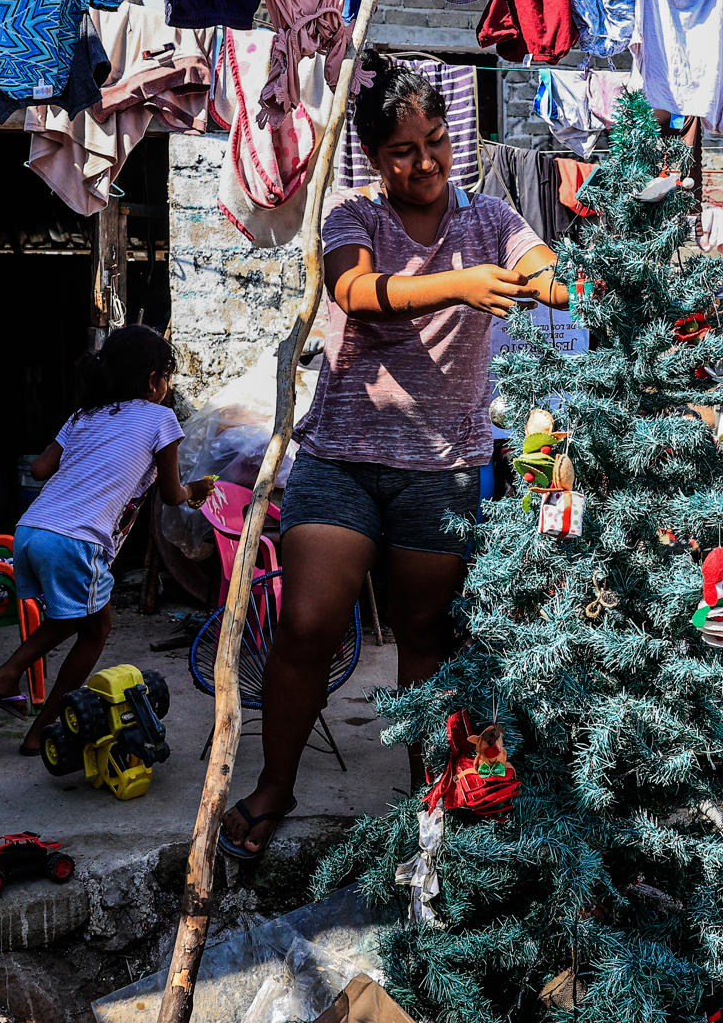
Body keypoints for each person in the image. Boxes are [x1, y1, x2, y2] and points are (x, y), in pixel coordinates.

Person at [219, 50, 568, 858]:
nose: (426, 162)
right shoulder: (353, 216)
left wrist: (573, 283)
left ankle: (430, 804)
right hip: (343, 459)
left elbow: (541, 270)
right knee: (307, 624)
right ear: (375, 159)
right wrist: (460, 284)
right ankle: (275, 787)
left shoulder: (490, 220)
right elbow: (355, 292)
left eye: (436, 141)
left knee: (427, 639)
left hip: (443, 469)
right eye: (404, 151)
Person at [0, 325, 213, 753]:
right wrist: (198, 490)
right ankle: (17, 693)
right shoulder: (161, 418)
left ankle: (31, 717)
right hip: (76, 540)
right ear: (152, 379)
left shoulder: (83, 416)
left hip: (31, 531)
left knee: (80, 621)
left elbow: (39, 470)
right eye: (166, 376)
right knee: (92, 630)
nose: (167, 386)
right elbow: (172, 494)